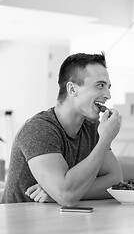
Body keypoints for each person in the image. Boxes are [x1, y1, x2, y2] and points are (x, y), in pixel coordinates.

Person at [1, 52, 123, 206]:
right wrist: (105, 140)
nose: (108, 95)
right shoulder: (39, 129)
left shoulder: (92, 129)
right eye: (100, 85)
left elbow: (116, 181)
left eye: (108, 87)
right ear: (72, 89)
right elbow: (67, 196)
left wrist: (57, 193)